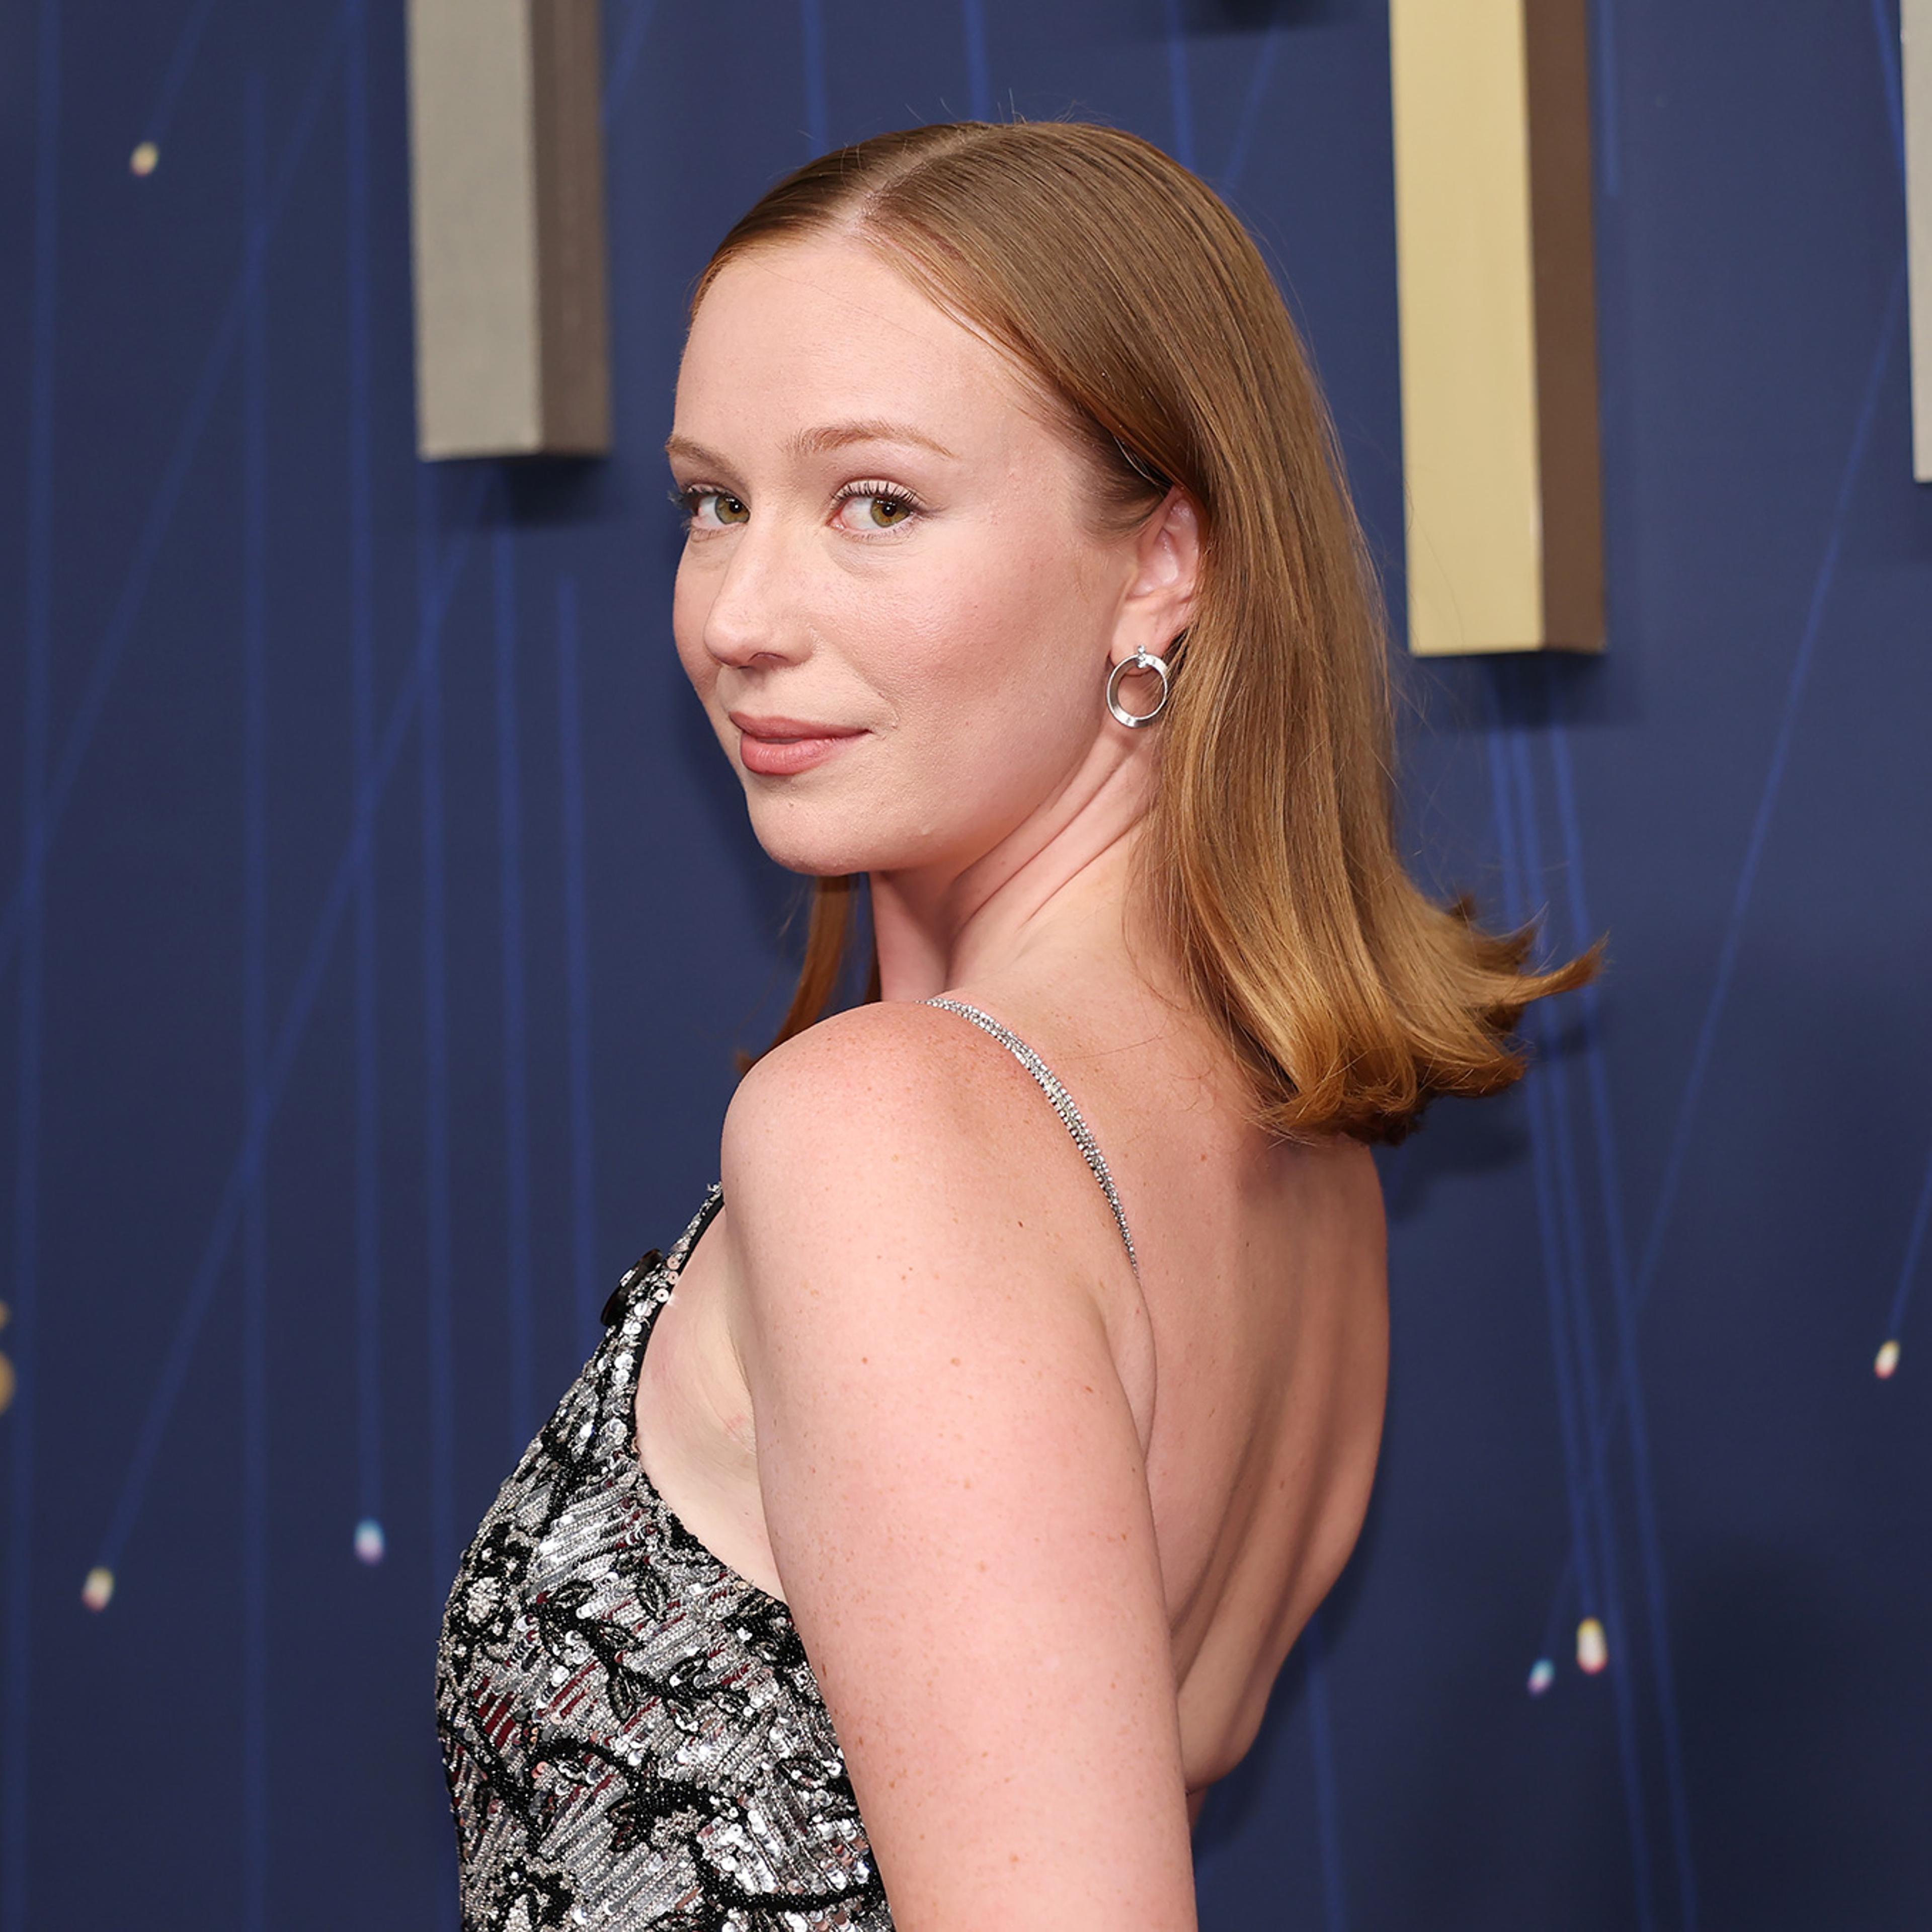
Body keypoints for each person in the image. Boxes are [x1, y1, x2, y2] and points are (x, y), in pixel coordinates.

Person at [436, 119, 1589, 1932]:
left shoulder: (888, 1131)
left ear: (1164, 566)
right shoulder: (1285, 1143)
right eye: (713, 502)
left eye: (875, 504)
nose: (740, 616)